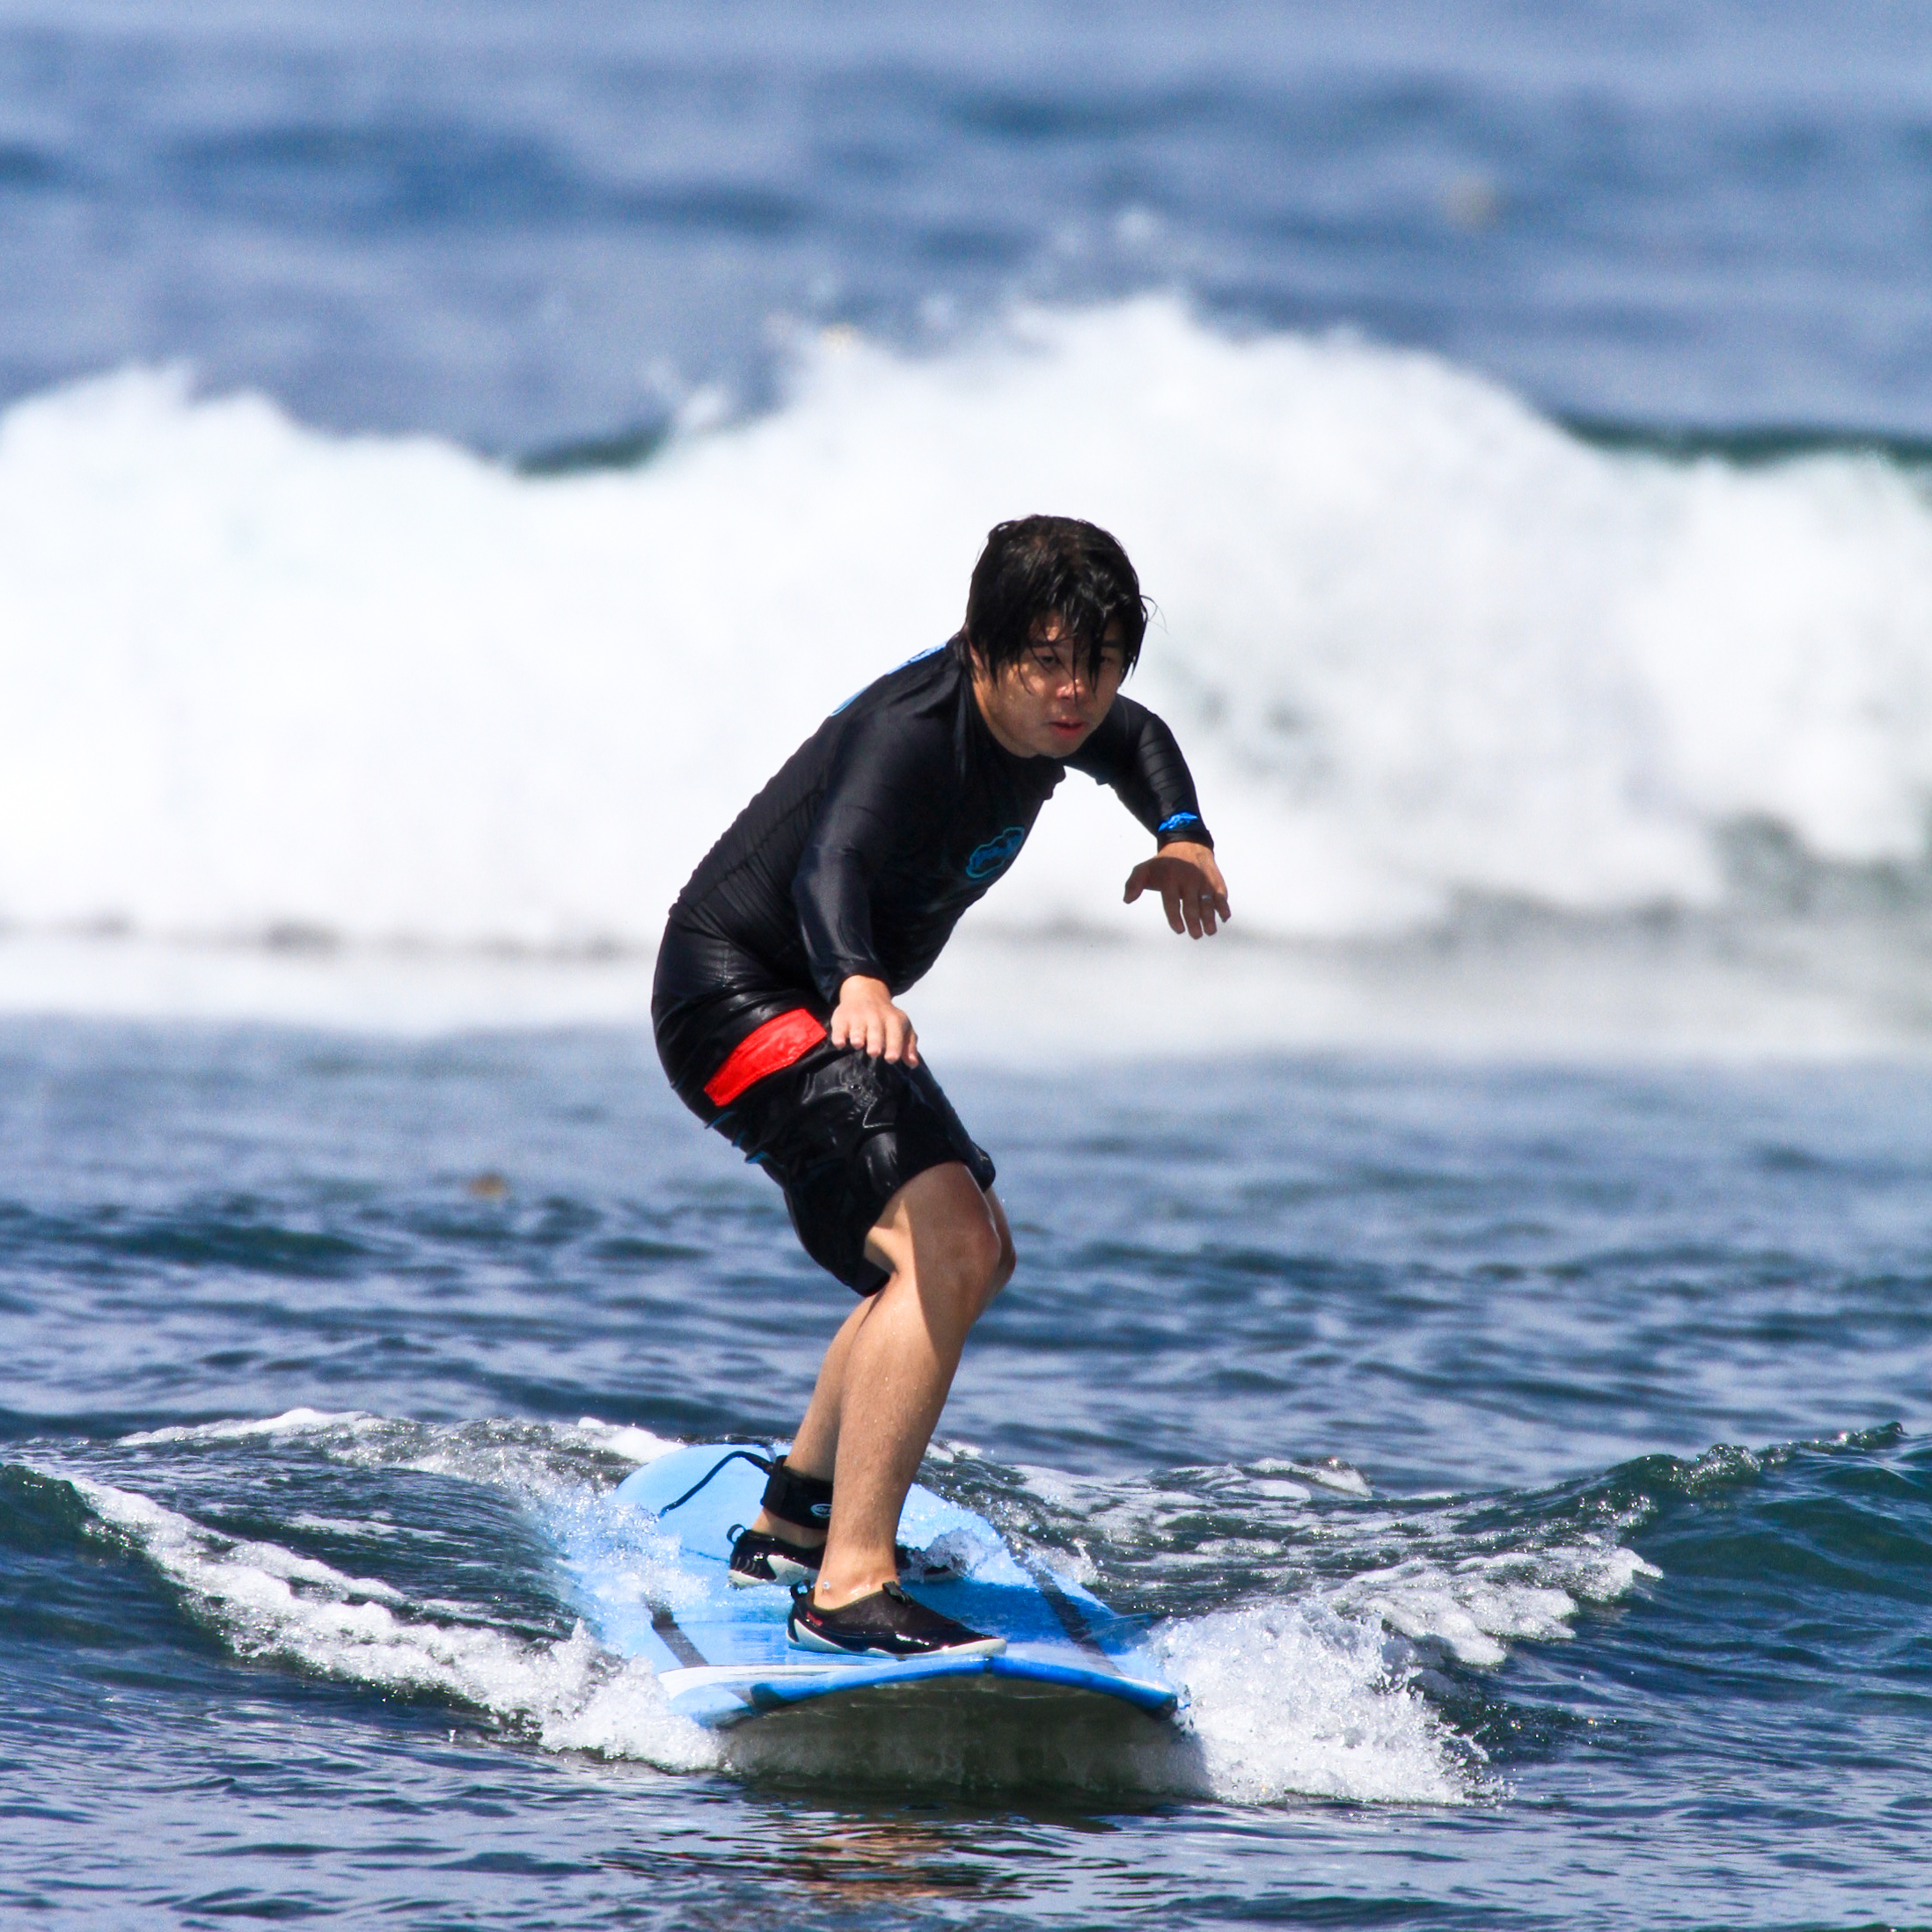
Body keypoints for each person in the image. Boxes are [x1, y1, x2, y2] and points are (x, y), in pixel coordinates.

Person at [652, 514, 1231, 1658]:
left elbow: (1138, 738)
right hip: (740, 996)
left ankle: (795, 1522)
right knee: (945, 1252)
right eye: (1049, 662)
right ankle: (849, 1586)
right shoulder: (908, 734)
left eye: (1098, 663)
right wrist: (856, 979)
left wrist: (1186, 834)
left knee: (975, 1255)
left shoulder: (1068, 715)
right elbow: (836, 866)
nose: (1076, 692)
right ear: (983, 651)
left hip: (815, 1002)